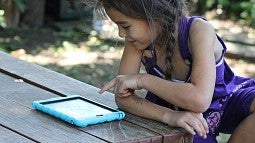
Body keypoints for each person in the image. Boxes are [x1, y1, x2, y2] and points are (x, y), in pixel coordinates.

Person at [95, 0, 255, 142]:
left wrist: (141, 79)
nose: (121, 33)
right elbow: (123, 98)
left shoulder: (198, 30)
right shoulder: (136, 42)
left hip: (225, 100)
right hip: (179, 114)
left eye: (125, 26)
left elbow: (199, 99)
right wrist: (170, 116)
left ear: (153, 16)